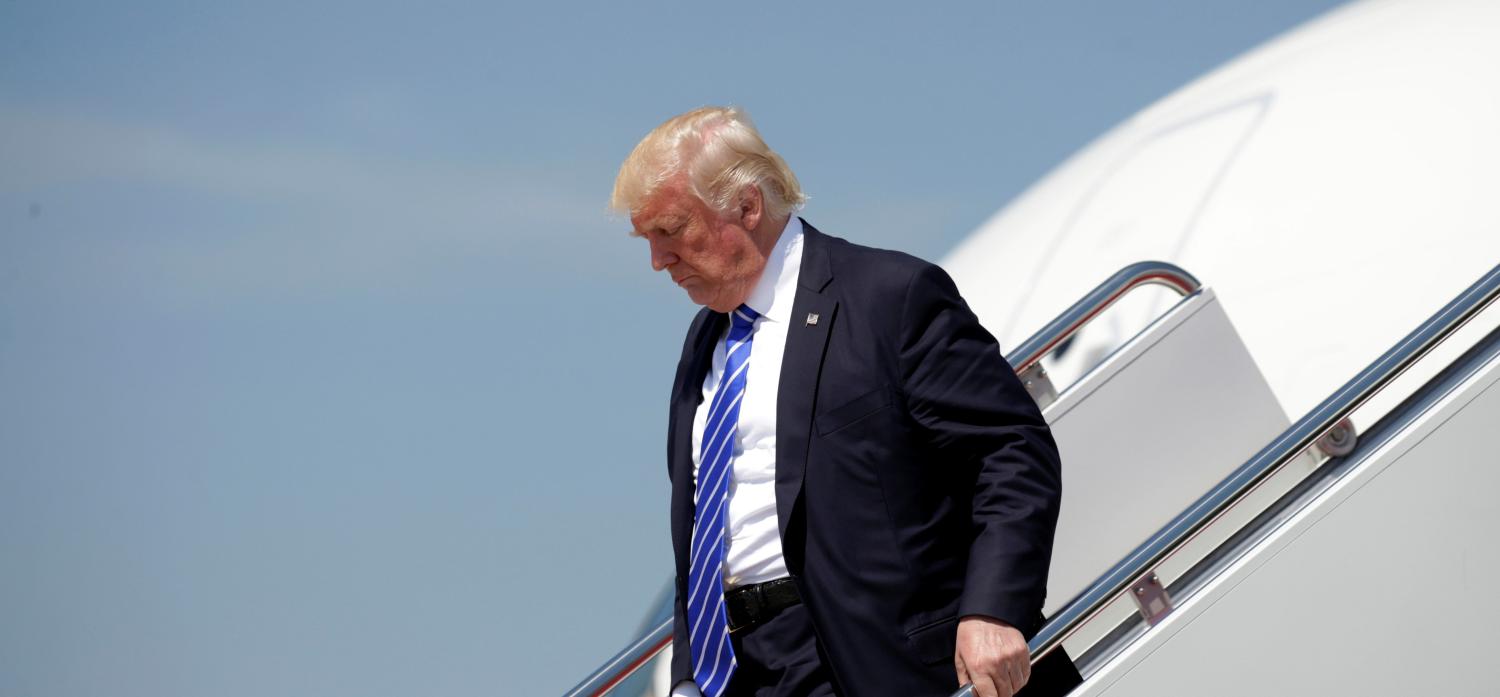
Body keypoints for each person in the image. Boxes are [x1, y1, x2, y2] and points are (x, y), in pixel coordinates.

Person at [611, 106, 1081, 697]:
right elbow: (706, 528)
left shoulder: (887, 297)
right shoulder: (705, 342)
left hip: (869, 661)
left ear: (747, 207)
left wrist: (995, 608)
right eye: (647, 239)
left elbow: (1012, 451)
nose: (658, 260)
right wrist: (686, 678)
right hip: (743, 672)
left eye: (672, 230)